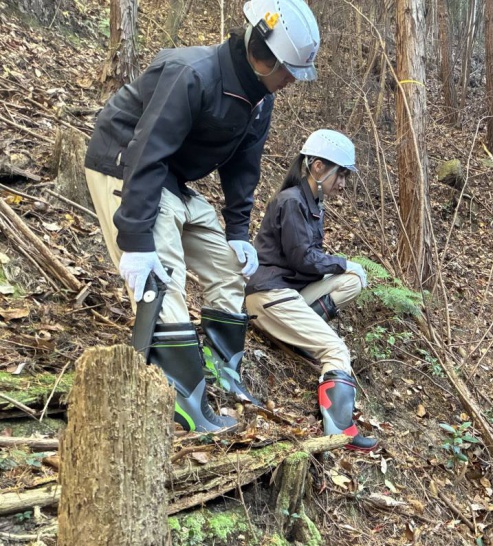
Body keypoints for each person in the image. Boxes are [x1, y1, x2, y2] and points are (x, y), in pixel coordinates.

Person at [84, 0, 321, 432]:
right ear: (264, 53)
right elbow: (146, 150)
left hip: (172, 177)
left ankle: (222, 372)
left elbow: (243, 167)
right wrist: (136, 241)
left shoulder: (260, 100)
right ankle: (182, 398)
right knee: (163, 274)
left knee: (228, 269)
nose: (291, 80)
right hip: (125, 164)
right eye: (289, 69)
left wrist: (238, 232)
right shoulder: (192, 73)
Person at [245, 129, 377, 452]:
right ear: (318, 166)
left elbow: (308, 260)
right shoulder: (291, 201)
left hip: (289, 293)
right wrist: (341, 262)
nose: (343, 184)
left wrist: (343, 267)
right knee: (336, 351)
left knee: (354, 279)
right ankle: (341, 435)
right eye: (340, 175)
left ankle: (300, 334)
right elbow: (303, 258)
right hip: (270, 296)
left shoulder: (313, 203)